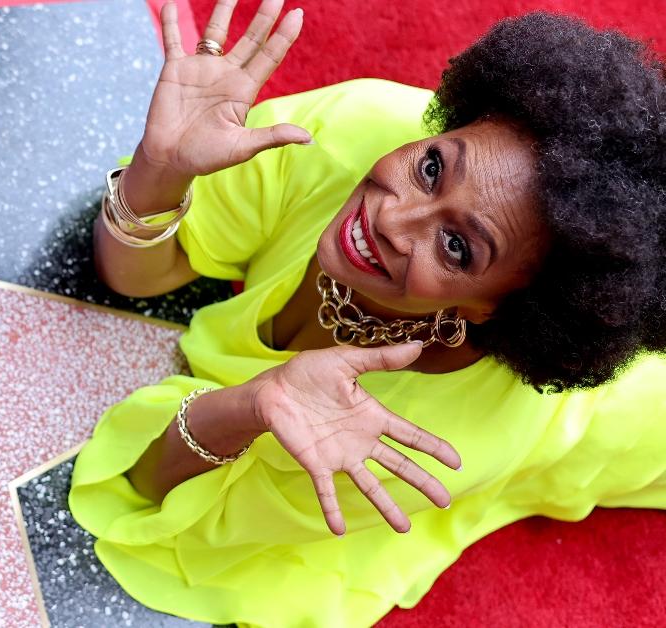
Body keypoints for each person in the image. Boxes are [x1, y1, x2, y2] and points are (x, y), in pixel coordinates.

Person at [67, 0, 666, 626]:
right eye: (432, 167)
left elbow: (149, 499)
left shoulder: (434, 441)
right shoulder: (351, 130)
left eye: (457, 247)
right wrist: (158, 175)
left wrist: (250, 405)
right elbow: (137, 271)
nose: (392, 218)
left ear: (495, 307)